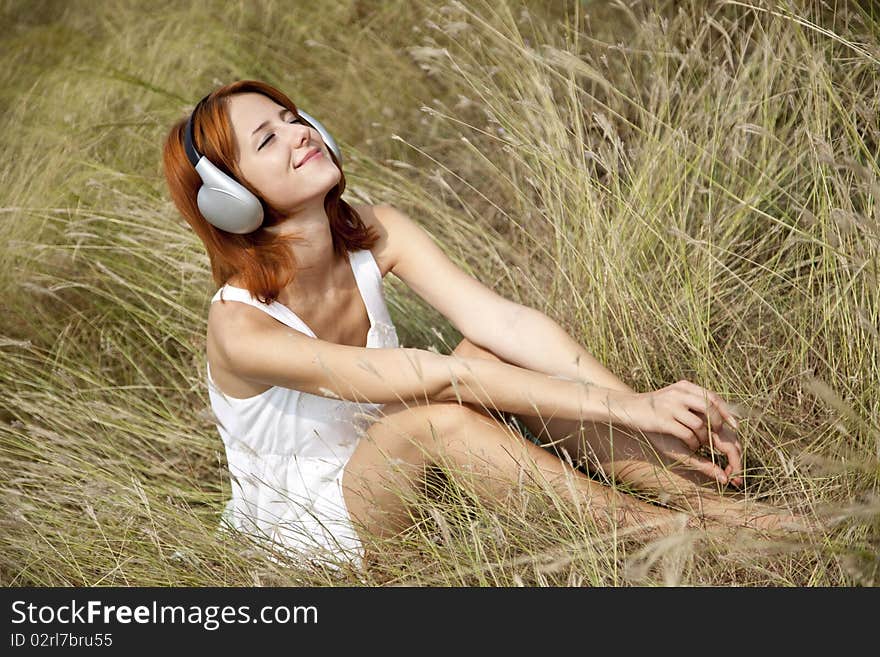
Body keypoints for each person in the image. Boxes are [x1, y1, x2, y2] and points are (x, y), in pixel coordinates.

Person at [162, 80, 805, 572]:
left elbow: (505, 322)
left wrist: (657, 422)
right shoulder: (239, 328)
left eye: (293, 118)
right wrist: (629, 407)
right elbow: (438, 380)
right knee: (437, 412)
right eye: (267, 140)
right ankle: (671, 534)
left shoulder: (374, 231)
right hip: (313, 523)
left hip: (392, 454)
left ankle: (709, 497)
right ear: (227, 197)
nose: (298, 133)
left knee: (490, 347)